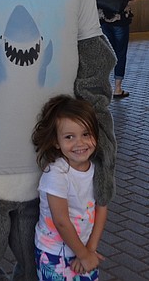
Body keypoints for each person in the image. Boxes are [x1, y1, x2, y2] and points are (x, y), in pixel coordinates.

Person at [31, 95, 108, 280]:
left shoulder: (97, 169)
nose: (79, 143)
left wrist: (90, 250)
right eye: (69, 137)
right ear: (56, 142)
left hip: (84, 249)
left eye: (86, 134)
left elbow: (102, 208)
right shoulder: (56, 174)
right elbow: (61, 221)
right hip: (54, 253)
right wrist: (84, 255)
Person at [95, 0, 135, 98]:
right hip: (119, 19)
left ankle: (102, 85)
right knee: (120, 53)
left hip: (103, 19)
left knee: (106, 53)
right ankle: (118, 88)